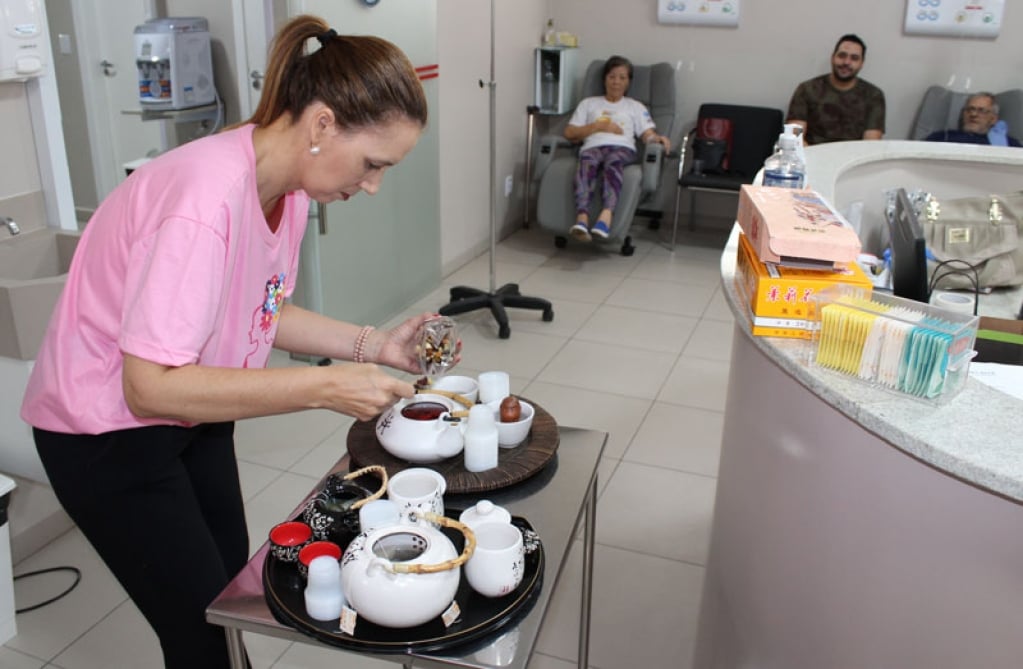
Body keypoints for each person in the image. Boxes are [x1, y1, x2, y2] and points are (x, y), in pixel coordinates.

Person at [20, 15, 440, 669]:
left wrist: (372, 345)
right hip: (105, 433)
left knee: (231, 602)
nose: (372, 184)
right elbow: (149, 382)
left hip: (193, 414)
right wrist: (323, 385)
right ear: (323, 125)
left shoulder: (291, 186)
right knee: (200, 634)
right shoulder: (203, 198)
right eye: (372, 163)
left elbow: (261, 309)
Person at [564, 55, 671, 242]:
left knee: (613, 162)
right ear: (605, 79)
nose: (616, 82)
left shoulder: (635, 107)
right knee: (587, 162)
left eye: (622, 78)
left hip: (622, 149)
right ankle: (582, 219)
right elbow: (570, 133)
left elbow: (647, 134)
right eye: (612, 76)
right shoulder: (588, 103)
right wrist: (597, 127)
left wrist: (658, 139)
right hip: (593, 147)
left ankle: (605, 218)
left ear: (628, 82)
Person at [786, 34, 885, 145]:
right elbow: (796, 137)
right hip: (811, 155)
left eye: (854, 58)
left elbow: (870, 144)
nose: (846, 62)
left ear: (861, 64)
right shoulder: (807, 89)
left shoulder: (873, 95)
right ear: (833, 57)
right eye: (842, 56)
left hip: (853, 159)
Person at [924, 92, 1022, 147]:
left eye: (981, 110)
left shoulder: (1009, 144)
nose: (973, 114)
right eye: (970, 109)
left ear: (993, 119)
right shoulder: (941, 137)